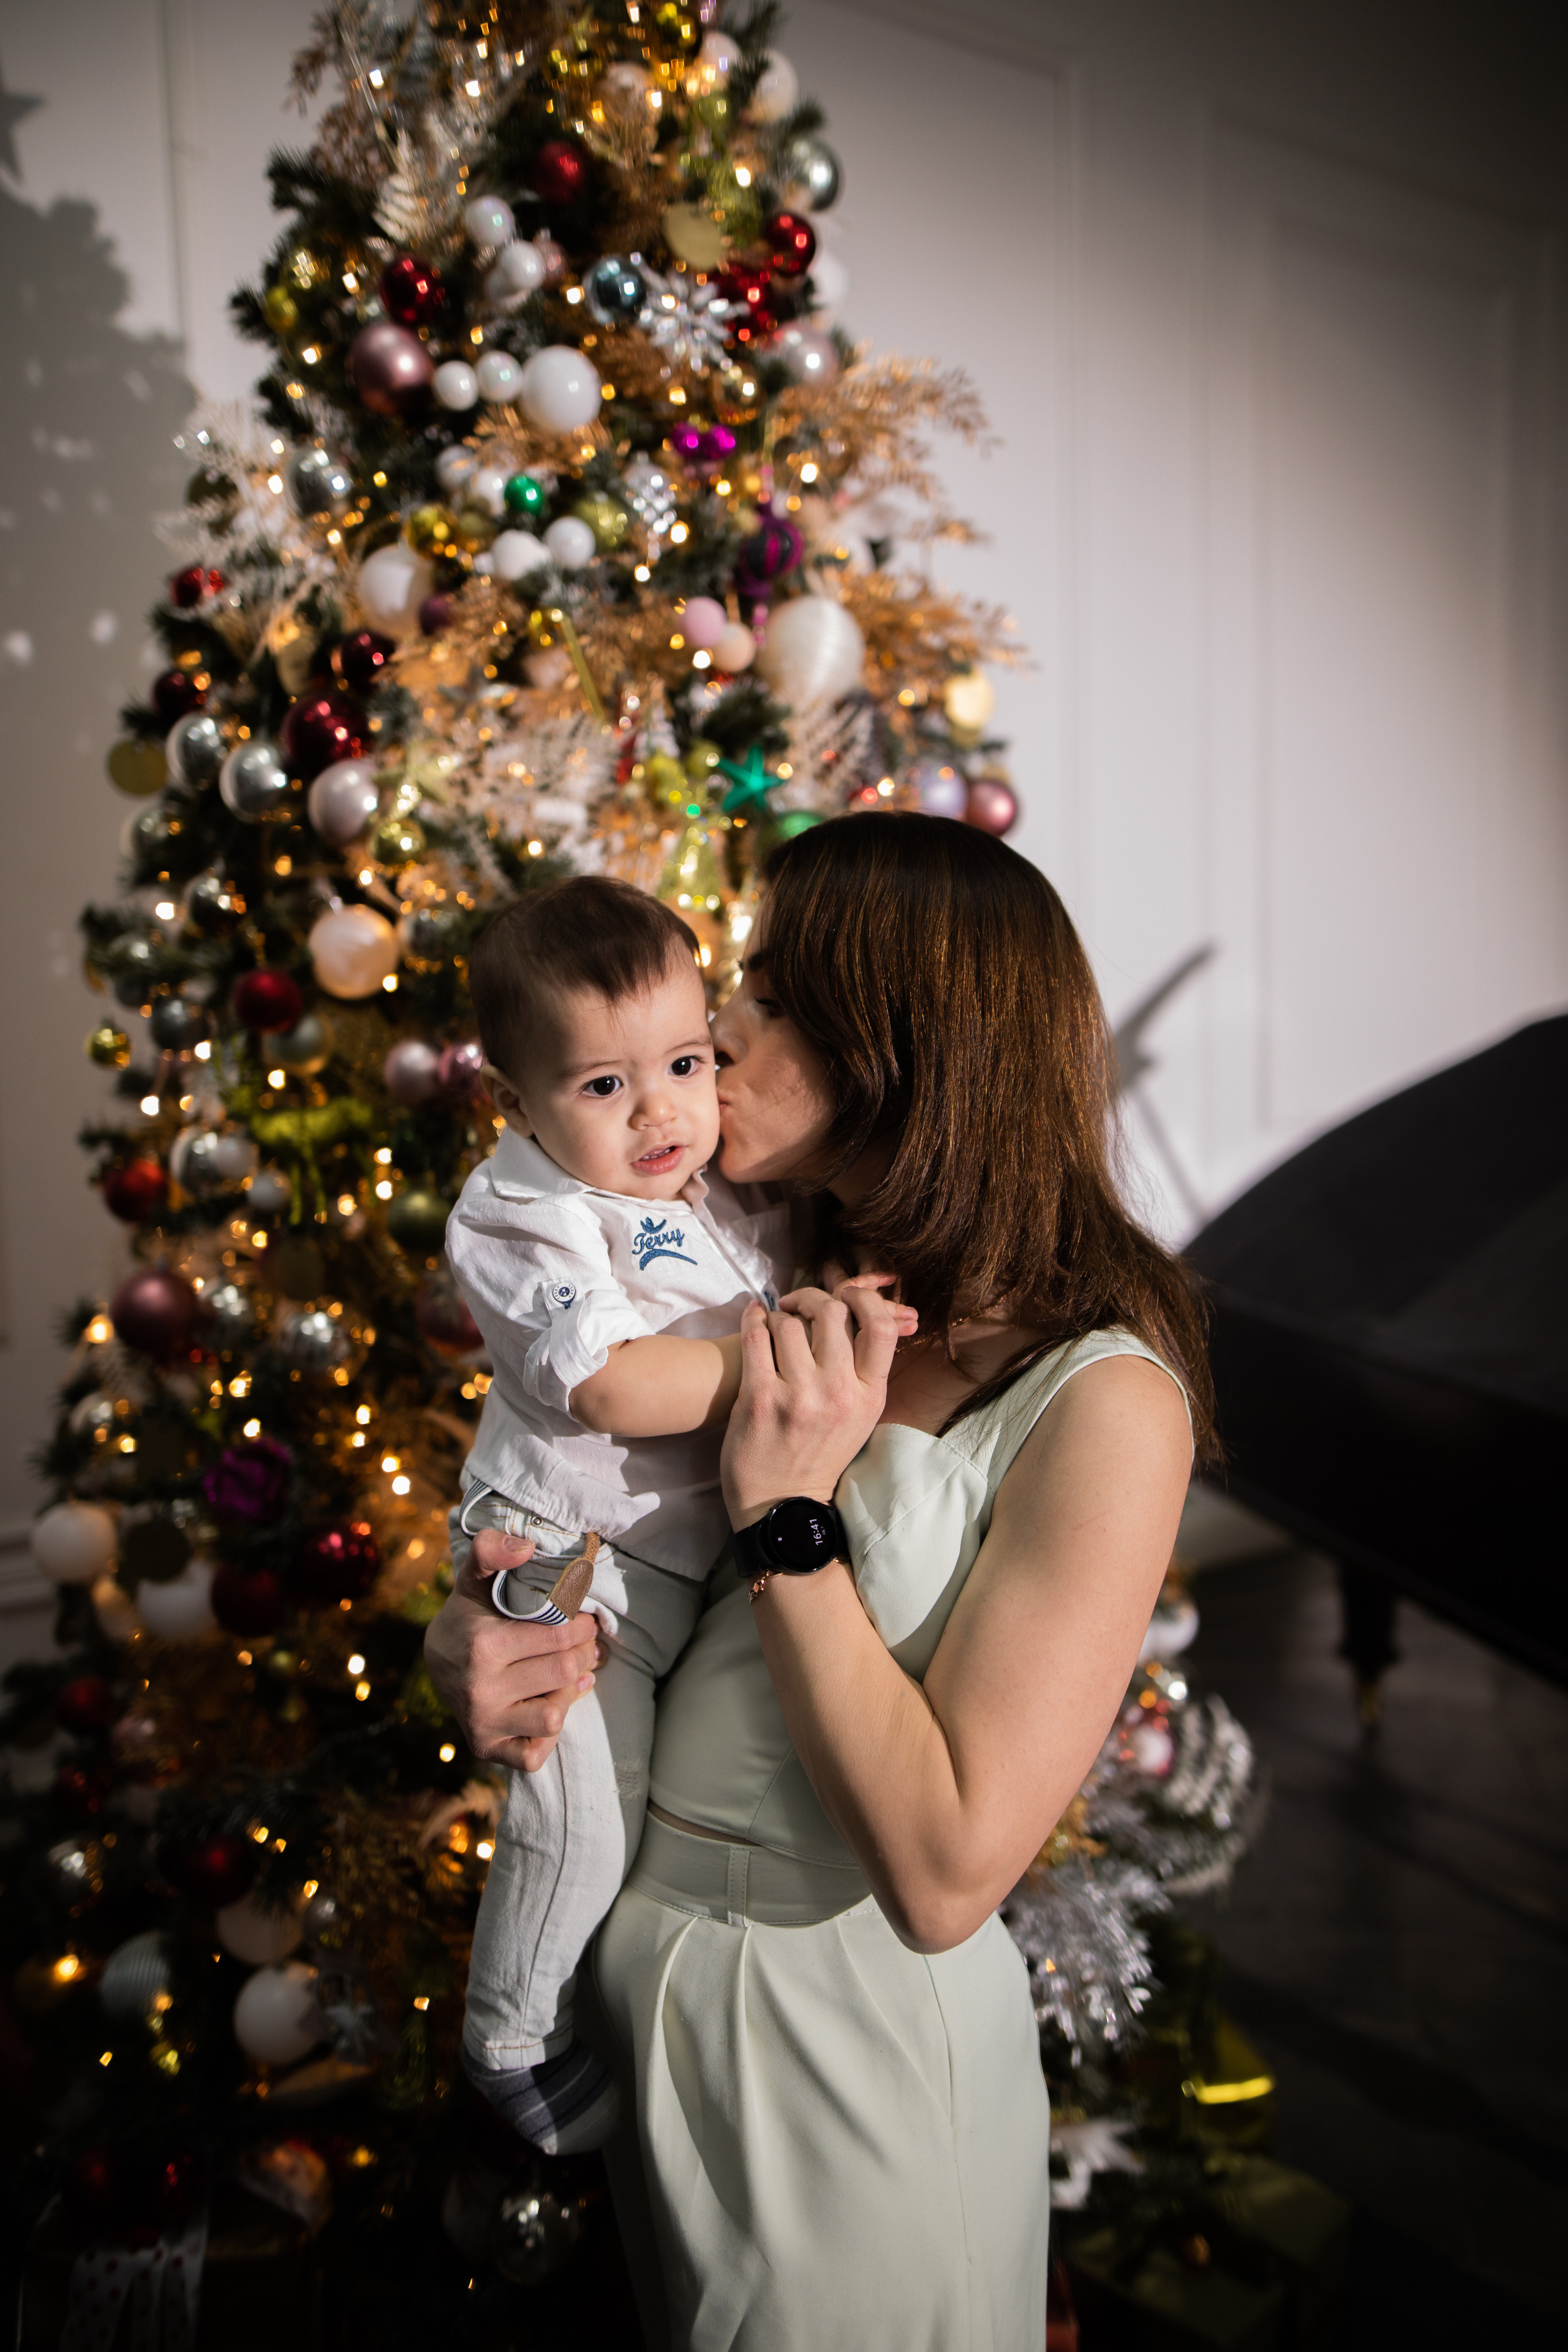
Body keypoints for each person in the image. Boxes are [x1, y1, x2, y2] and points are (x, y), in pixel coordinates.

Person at [426, 814, 1212, 2349]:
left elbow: (944, 1871)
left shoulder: (1102, 1399)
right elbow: (567, 1516)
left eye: (772, 997)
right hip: (649, 2001)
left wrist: (787, 1514)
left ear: (906, 1053)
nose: (717, 1030)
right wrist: (485, 1634)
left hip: (843, 2043)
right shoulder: (754, 1275)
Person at [449, 876, 909, 2155]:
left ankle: (572, 2014)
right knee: (578, 1817)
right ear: (518, 1104)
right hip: (565, 1557)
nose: (660, 1111)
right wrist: (791, 1358)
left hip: (669, 1569)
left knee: (628, 1803)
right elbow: (612, 1382)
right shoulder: (525, 1214)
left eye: (687, 1063)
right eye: (604, 1085)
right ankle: (510, 2039)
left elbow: (794, 1250)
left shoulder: (718, 1187)